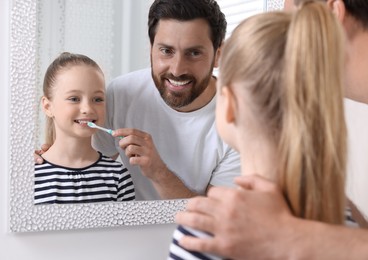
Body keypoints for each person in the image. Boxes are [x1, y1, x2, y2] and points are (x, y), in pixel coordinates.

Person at [175, 0, 368, 259]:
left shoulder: (211, 228)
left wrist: (290, 236)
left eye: (297, 18)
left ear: (230, 105)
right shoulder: (343, 225)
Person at [35, 0, 240, 201]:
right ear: (151, 48)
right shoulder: (120, 93)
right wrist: (48, 160)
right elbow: (86, 161)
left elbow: (216, 221)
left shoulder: (242, 121)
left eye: (194, 53)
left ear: (218, 55)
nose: (177, 69)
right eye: (166, 51)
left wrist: (159, 173)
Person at [35, 52, 135, 205]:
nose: (87, 108)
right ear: (48, 106)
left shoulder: (118, 176)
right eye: (74, 99)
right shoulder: (28, 176)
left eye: (97, 99)